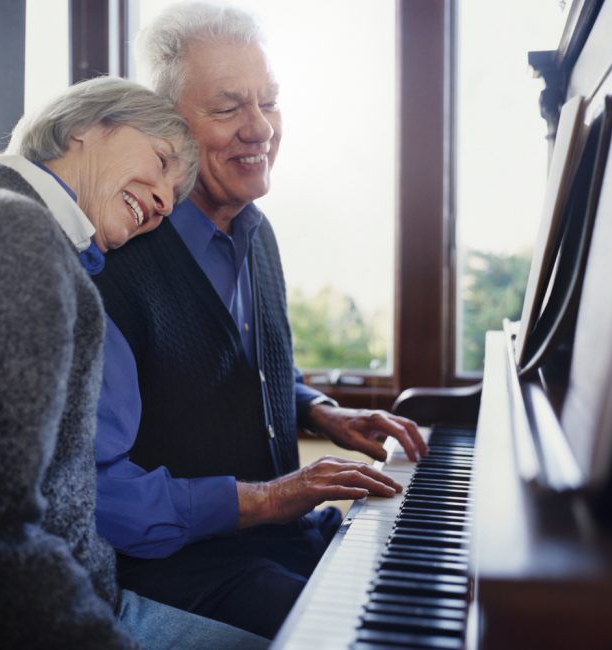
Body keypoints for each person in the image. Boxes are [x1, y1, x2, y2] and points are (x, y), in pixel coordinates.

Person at [93, 1, 429, 639]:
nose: (260, 129)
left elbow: (237, 368)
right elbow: (101, 495)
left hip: (279, 542)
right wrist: (272, 497)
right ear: (170, 127)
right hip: (181, 571)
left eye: (269, 102)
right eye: (228, 108)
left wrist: (322, 411)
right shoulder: (121, 267)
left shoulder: (255, 232)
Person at [0, 76, 269, 650]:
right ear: (83, 129)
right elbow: (1, 535)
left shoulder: (32, 235)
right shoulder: (20, 234)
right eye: (162, 160)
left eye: (175, 191)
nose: (165, 201)